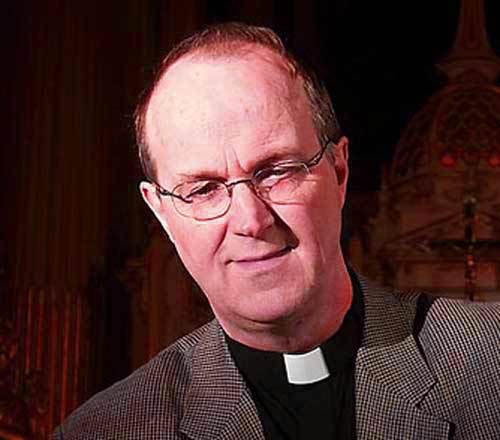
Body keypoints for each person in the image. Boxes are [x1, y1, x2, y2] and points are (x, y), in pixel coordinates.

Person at [54, 22, 499, 439]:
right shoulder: (109, 429)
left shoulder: (489, 363)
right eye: (203, 189)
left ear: (339, 171)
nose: (251, 220)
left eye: (276, 171)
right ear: (163, 214)